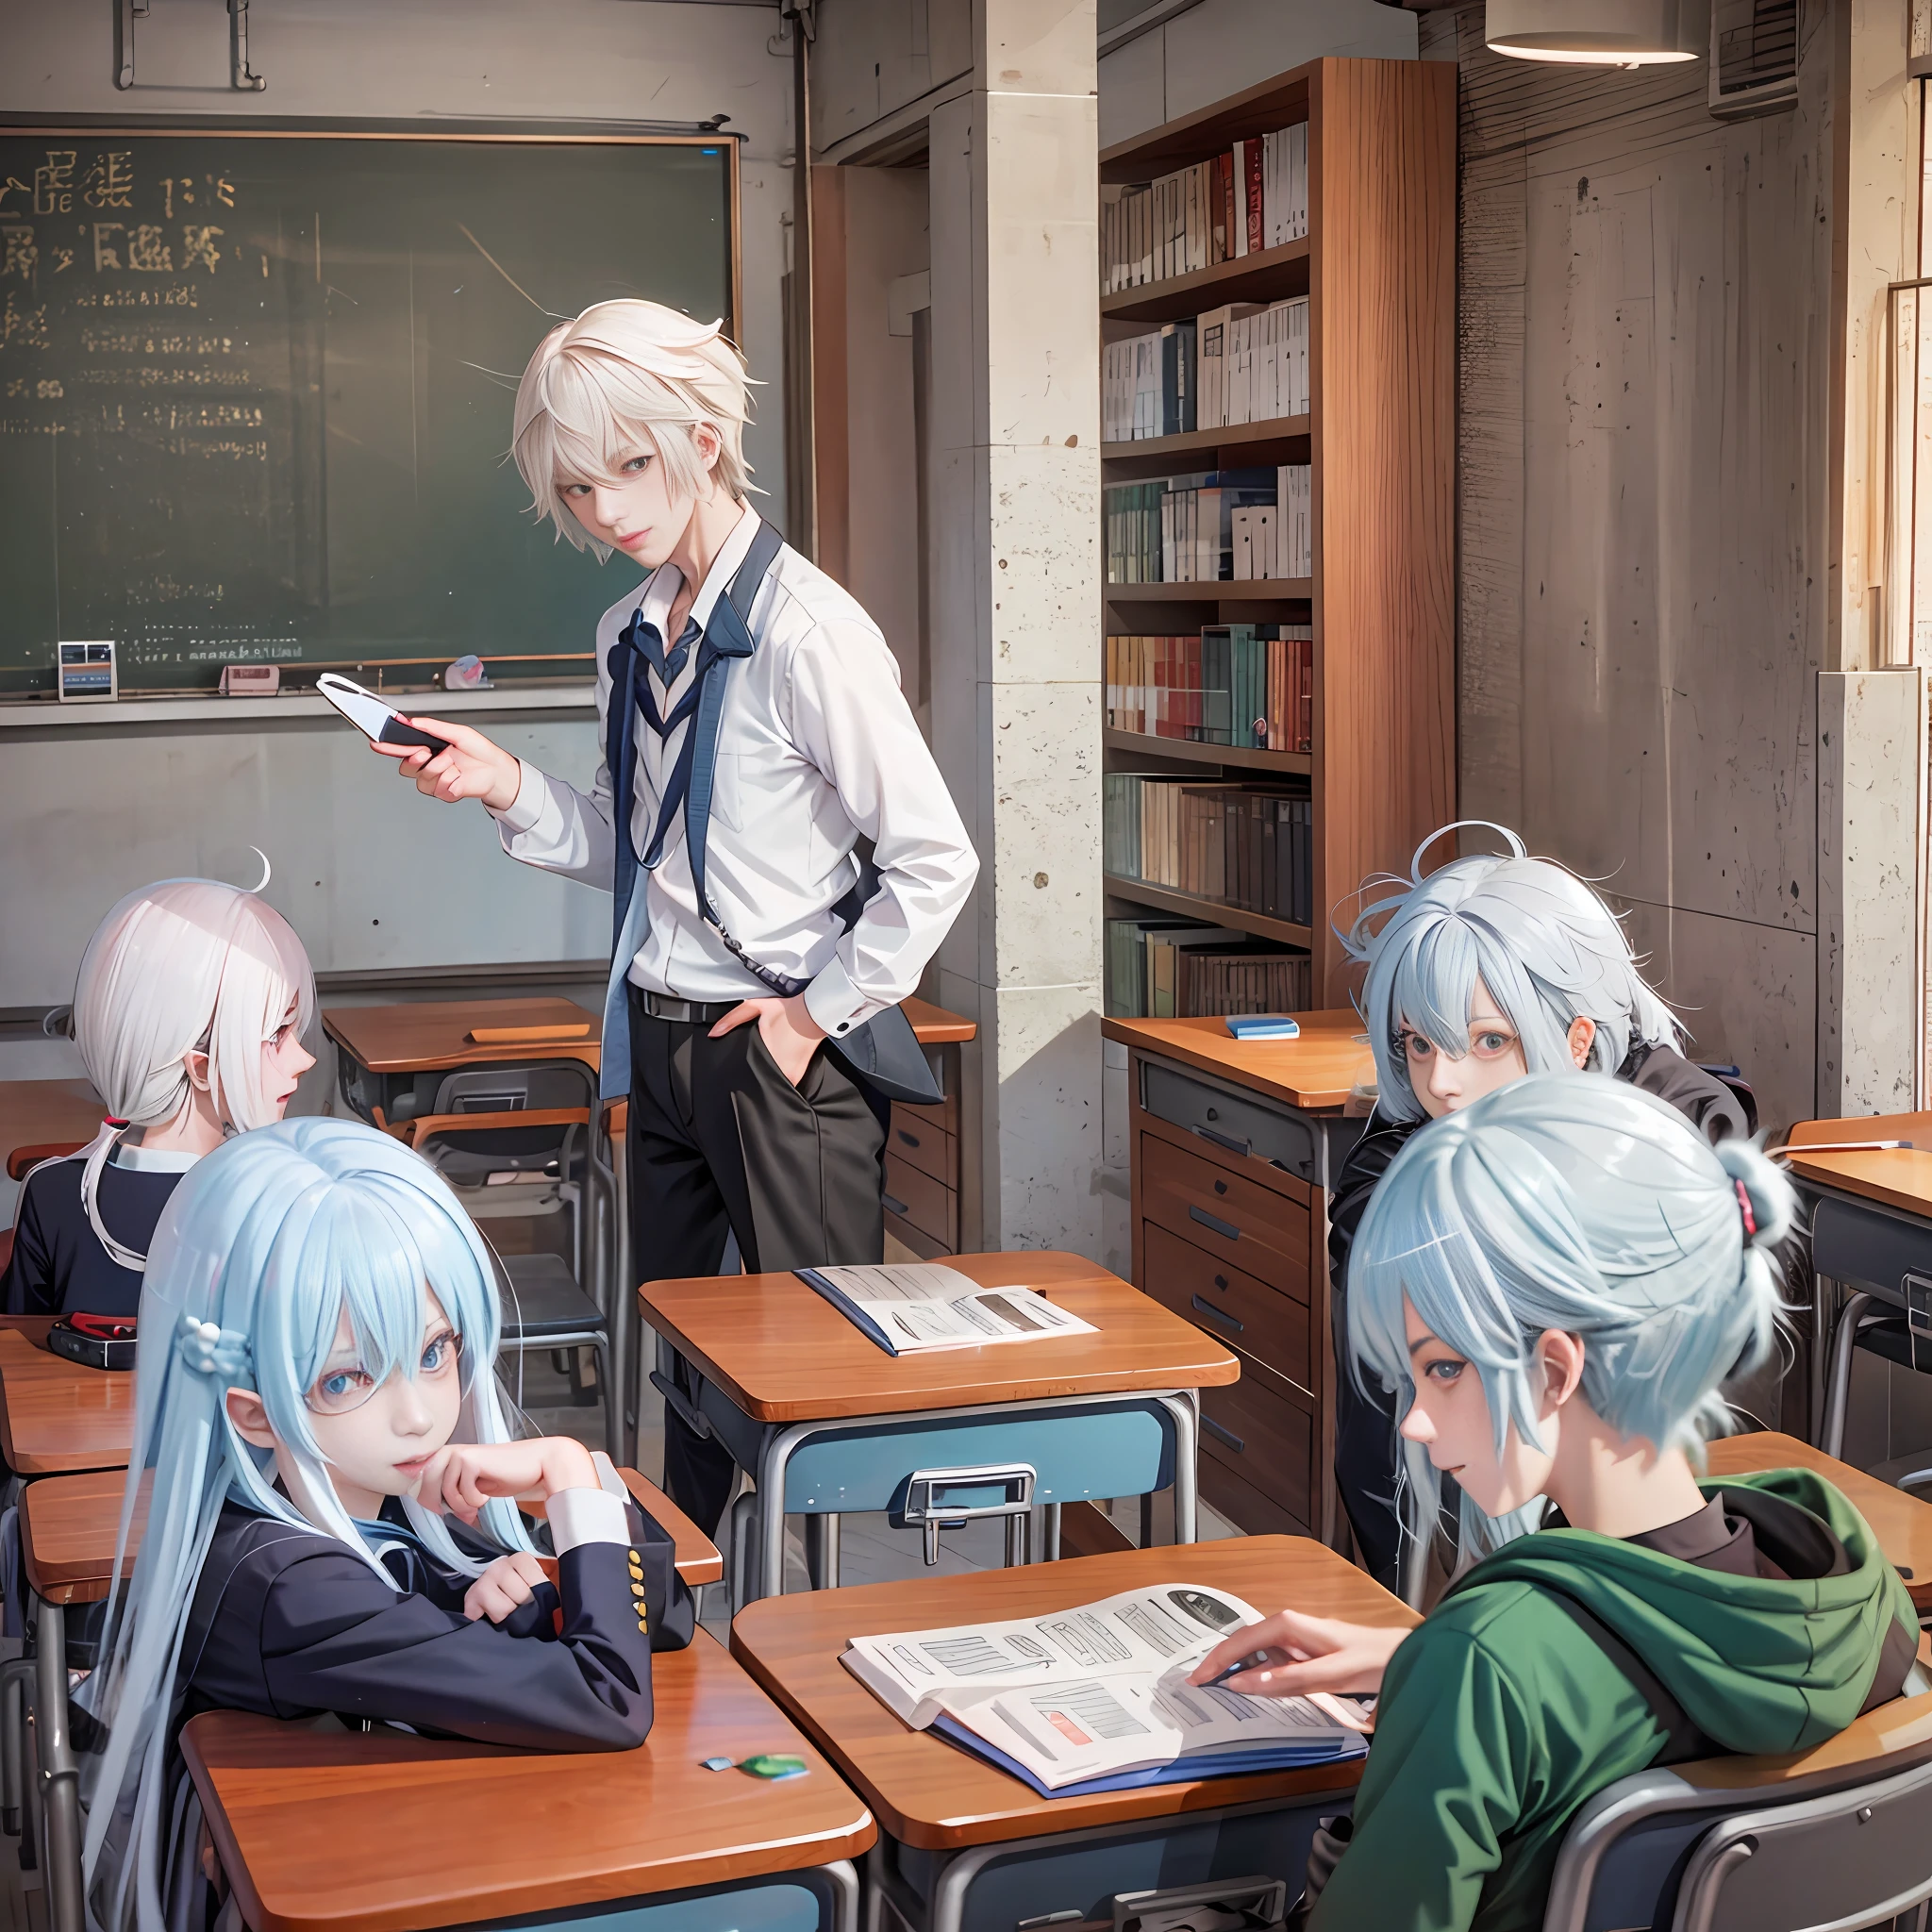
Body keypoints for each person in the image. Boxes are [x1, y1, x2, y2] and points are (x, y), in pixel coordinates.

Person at [357, 300, 977, 1533]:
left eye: (629, 468)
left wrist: (815, 1016)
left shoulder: (808, 634)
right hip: (659, 1029)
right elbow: (635, 853)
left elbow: (935, 859)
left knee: (805, 1369)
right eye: (579, 488)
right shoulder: (625, 636)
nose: (605, 511)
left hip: (776, 1047)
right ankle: (676, 1604)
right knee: (681, 1359)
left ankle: (805, 1619)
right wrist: (500, 783)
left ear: (702, 436)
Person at [1191, 1075, 1917, 1932]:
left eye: (1444, 1367)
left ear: (1552, 1371)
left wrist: (1460, 1666)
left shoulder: (1489, 1668)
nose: (1417, 1421)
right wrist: (1425, 1655)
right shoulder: (1851, 1591)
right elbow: (1631, 1671)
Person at [79, 1117, 677, 1932]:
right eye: (346, 1377)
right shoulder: (287, 1584)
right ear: (253, 1414)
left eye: (434, 1352)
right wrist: (569, 1476)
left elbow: (661, 1614)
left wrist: (542, 1574)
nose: (417, 1415)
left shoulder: (381, 1484)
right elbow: (610, 1698)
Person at [1328, 824, 1753, 1591]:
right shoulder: (1419, 1130)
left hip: (1634, 1526)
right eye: (1418, 1044)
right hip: (1428, 1522)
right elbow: (1364, 1234)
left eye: (1487, 1042)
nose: (1443, 1084)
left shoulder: (1679, 1120)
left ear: (1577, 1035)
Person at [2, 873, 317, 1318]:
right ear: (201, 1067)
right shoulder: (282, 1197)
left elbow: (22, 1364)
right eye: (278, 1034)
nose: (304, 1058)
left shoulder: (52, 1191)